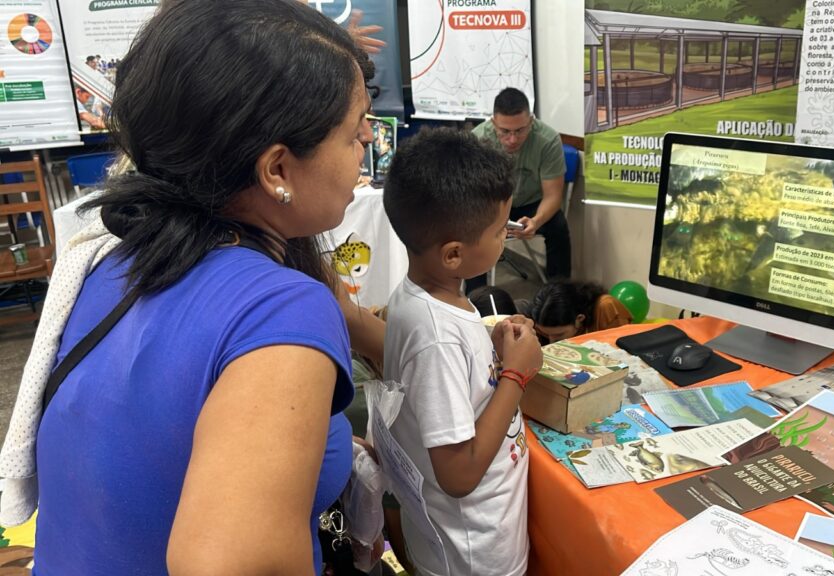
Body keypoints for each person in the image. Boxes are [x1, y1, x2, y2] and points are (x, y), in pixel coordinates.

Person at [7, 1, 378, 573]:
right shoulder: (280, 307)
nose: (368, 147)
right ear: (277, 169)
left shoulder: (111, 258)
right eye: (357, 133)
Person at [382, 127, 543, 576]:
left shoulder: (429, 294)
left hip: (470, 538)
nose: (506, 236)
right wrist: (516, 376)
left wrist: (489, 346)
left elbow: (449, 384)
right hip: (473, 554)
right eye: (499, 231)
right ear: (454, 254)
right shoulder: (436, 335)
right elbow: (458, 475)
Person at [466, 87, 569, 291]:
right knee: (471, 230)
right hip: (491, 206)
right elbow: (471, 195)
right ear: (493, 123)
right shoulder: (477, 140)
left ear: (531, 121)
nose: (512, 140)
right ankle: (477, 299)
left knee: (558, 227)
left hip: (531, 205)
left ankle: (560, 297)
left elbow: (553, 196)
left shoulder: (548, 140)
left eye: (520, 130)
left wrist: (536, 221)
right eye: (505, 132)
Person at [529, 280, 633, 344]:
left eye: (559, 335)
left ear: (579, 319)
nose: (552, 342)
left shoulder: (606, 308)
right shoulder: (539, 322)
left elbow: (623, 350)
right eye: (547, 335)